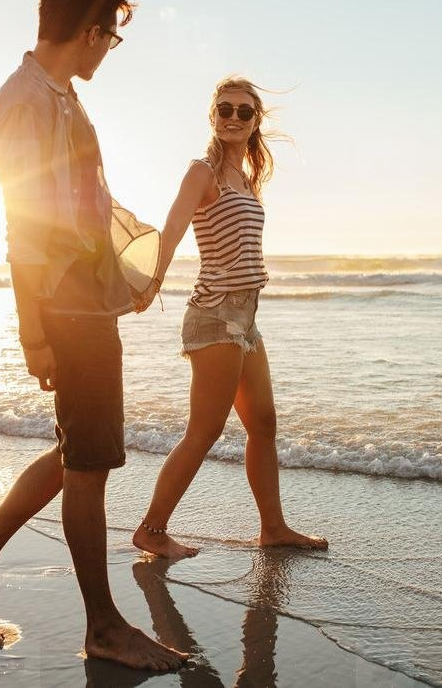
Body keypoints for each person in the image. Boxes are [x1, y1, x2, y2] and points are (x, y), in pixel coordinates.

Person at [0, 0, 184, 672]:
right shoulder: (24, 101)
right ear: (87, 30)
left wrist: (125, 276)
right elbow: (24, 220)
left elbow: (84, 210)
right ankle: (103, 626)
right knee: (91, 458)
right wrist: (32, 328)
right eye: (110, 34)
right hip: (64, 307)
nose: (110, 48)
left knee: (80, 448)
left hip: (85, 297)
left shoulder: (63, 99)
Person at [130, 77, 328, 559]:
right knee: (205, 430)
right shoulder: (203, 172)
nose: (233, 118)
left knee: (263, 423)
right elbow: (173, 228)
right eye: (225, 109)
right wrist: (152, 280)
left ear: (256, 120)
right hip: (215, 316)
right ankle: (151, 530)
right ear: (212, 116)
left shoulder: (246, 179)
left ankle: (273, 528)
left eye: (244, 111)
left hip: (246, 319)